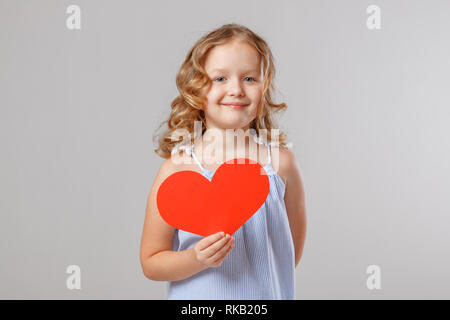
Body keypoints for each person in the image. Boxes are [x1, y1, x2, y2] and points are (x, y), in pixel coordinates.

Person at [140, 23, 306, 299]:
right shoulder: (176, 170)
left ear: (264, 89)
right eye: (220, 79)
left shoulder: (281, 164)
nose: (236, 89)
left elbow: (289, 253)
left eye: (249, 79)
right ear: (196, 89)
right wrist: (196, 258)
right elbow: (151, 261)